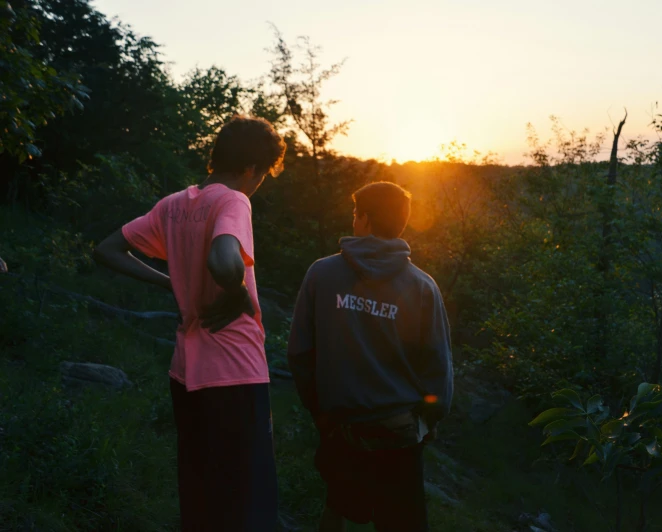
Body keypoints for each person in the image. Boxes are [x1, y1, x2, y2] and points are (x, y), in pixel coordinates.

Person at [93, 115, 286, 531]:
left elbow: (107, 250)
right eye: (264, 174)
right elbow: (222, 259)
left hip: (186, 373)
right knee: (247, 501)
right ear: (252, 168)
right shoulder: (234, 200)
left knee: (200, 493)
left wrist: (170, 282)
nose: (260, 183)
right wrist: (236, 292)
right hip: (236, 372)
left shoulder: (174, 205)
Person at [287, 181, 454, 532]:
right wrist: (431, 419)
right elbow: (437, 365)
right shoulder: (422, 286)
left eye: (354, 215)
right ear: (402, 224)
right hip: (399, 432)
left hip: (340, 424)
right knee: (400, 521)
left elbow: (301, 352)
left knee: (338, 510)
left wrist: (319, 411)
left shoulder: (322, 273)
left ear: (363, 219)